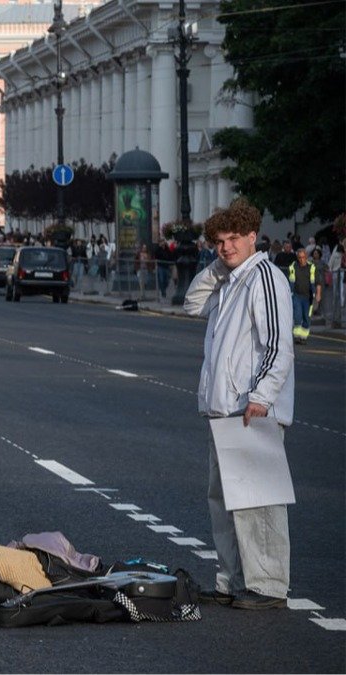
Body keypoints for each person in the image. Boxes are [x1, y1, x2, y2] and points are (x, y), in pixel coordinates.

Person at [183, 200, 294, 611]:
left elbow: (279, 344)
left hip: (249, 409)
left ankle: (267, 584)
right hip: (223, 410)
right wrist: (217, 268)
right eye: (218, 242)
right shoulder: (230, 280)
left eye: (233, 240)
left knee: (258, 502)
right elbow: (192, 304)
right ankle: (231, 580)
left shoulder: (264, 277)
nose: (226, 248)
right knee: (225, 502)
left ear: (253, 237)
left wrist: (262, 398)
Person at [288, 248, 320, 343]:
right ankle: (297, 336)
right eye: (299, 257)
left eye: (303, 257)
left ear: (306, 257)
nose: (301, 259)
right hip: (297, 295)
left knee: (306, 317)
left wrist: (318, 294)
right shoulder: (293, 267)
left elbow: (318, 283)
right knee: (297, 316)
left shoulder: (312, 268)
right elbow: (290, 281)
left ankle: (303, 337)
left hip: (308, 297)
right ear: (297, 257)